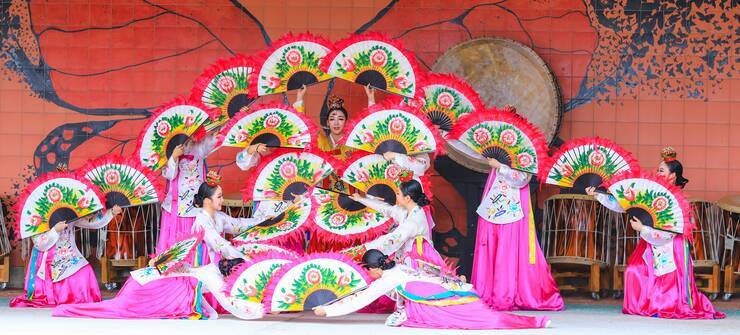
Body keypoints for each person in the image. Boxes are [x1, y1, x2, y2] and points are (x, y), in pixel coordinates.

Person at [53, 172, 270, 319]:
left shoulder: (219, 217)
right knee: (225, 295)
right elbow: (220, 244)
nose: (222, 200)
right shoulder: (202, 219)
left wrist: (267, 219)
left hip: (209, 268)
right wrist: (246, 257)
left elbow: (240, 224)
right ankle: (258, 309)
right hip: (202, 269)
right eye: (220, 197)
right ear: (207, 200)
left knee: (227, 287)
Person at [586, 147, 725, 319]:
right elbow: (623, 203)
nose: (657, 172)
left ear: (672, 176)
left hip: (672, 247)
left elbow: (670, 232)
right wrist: (598, 195)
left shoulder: (678, 201)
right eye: (657, 170)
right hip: (650, 242)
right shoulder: (650, 192)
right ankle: (646, 304)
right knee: (633, 271)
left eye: (661, 170)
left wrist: (643, 229)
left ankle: (663, 304)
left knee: (665, 277)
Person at [314, 249, 550, 330]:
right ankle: (534, 323)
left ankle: (534, 323)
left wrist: (327, 312)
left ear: (374, 268)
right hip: (452, 294)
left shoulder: (386, 278)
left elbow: (361, 298)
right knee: (489, 319)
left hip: (443, 303)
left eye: (368, 270)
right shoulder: (399, 267)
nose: (369, 274)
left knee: (487, 321)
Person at [471, 157, 564, 311]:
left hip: (514, 203)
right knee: (489, 244)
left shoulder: (524, 150)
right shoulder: (501, 147)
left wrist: (500, 166)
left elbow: (522, 179)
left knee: (508, 248)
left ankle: (505, 294)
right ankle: (486, 291)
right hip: (494, 200)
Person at [10, 205, 122, 308]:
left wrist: (111, 212)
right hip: (47, 258)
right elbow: (39, 243)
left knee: (85, 272)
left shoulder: (68, 210)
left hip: (70, 254)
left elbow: (90, 222)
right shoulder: (38, 213)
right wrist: (54, 230)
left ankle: (80, 299)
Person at [345, 180, 444, 269]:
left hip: (417, 259)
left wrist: (364, 248)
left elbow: (392, 239)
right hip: (406, 252)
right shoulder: (409, 209)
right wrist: (360, 199)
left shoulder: (413, 222)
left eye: (398, 193)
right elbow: (385, 208)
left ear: (407, 198)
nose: (396, 195)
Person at [157, 130, 219, 254]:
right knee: (175, 245)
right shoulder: (166, 151)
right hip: (175, 207)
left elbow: (209, 144)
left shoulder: (198, 148)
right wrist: (174, 156)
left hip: (197, 207)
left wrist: (215, 135)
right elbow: (169, 175)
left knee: (197, 245)